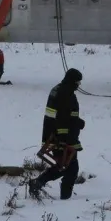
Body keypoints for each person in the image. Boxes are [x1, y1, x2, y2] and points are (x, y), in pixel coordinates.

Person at [29, 68, 85, 200]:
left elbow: (62, 117)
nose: (79, 85)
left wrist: (77, 123)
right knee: (70, 169)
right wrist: (64, 140)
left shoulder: (58, 89)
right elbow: (63, 120)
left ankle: (38, 183)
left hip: (56, 137)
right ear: (73, 81)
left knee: (64, 167)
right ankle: (64, 200)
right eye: (78, 82)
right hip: (62, 139)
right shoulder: (66, 94)